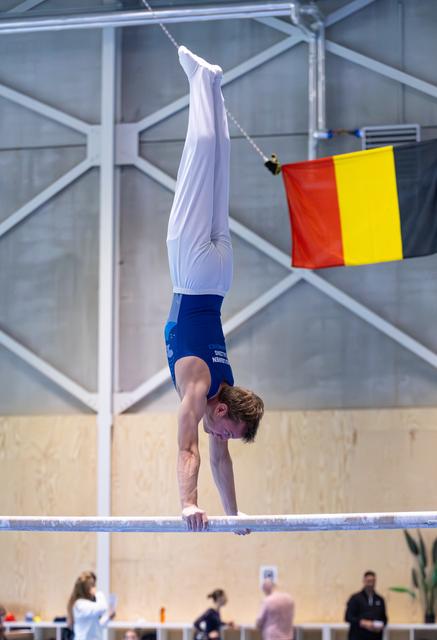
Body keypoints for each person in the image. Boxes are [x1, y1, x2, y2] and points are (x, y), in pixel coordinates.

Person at [164, 45, 264, 532]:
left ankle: (214, 86)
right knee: (197, 164)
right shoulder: (200, 386)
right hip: (192, 274)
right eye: (225, 428)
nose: (219, 436)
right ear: (222, 408)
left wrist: (232, 515)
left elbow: (220, 459)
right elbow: (188, 450)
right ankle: (199, 80)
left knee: (218, 170)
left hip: (221, 278)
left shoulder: (222, 390)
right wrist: (188, 503)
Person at [67, 571, 116, 640]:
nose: (95, 587)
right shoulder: (79, 604)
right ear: (87, 588)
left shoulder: (88, 604)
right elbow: (102, 607)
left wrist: (108, 617)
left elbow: (96, 625)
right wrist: (98, 593)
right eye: (93, 585)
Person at [345, 571, 388, 640]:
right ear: (364, 581)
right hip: (358, 636)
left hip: (375, 636)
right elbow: (348, 617)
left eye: (373, 581)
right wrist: (363, 623)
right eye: (368, 581)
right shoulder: (355, 598)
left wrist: (380, 626)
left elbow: (384, 619)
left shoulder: (380, 599)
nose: (370, 584)